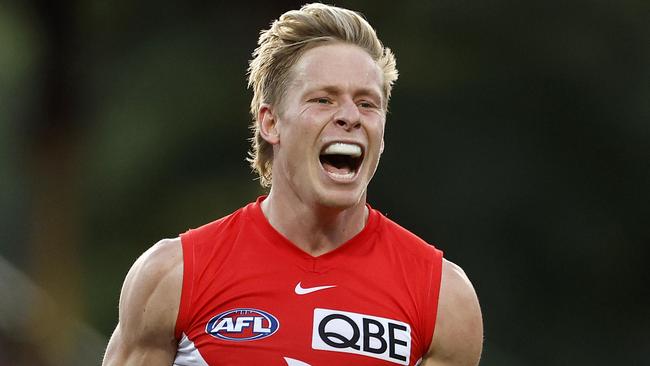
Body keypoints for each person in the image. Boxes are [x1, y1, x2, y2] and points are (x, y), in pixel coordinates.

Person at [102, 3, 483, 366]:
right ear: (271, 123)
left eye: (367, 104)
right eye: (323, 99)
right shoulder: (172, 275)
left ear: (382, 134)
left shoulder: (443, 298)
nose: (350, 116)